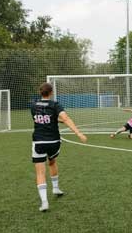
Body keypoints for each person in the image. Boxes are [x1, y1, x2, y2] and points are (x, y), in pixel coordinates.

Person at [31, 82, 87, 212]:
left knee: (40, 172)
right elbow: (65, 118)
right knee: (52, 162)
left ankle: (44, 202)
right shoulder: (55, 104)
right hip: (54, 141)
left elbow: (42, 118)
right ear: (51, 93)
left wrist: (57, 119)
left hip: (39, 141)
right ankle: (55, 188)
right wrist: (78, 133)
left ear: (40, 93)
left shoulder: (33, 106)